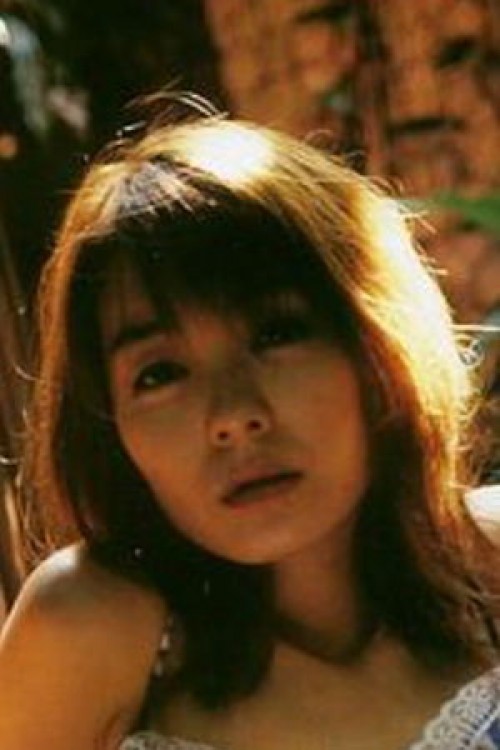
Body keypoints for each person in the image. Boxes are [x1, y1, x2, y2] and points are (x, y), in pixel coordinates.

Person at [1, 101, 500, 750]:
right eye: (159, 374)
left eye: (276, 334)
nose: (234, 416)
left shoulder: (487, 568)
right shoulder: (89, 629)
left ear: (375, 351)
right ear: (110, 427)